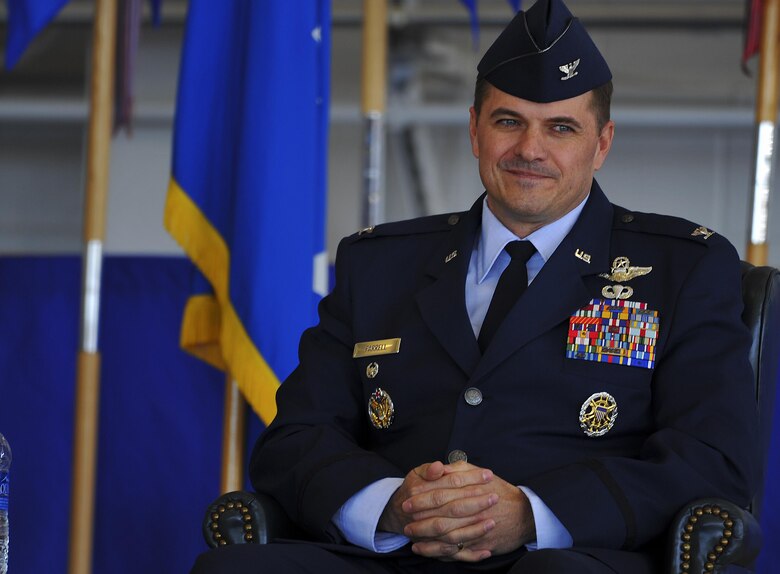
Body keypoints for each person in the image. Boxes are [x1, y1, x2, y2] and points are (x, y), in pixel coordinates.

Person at [192, 0, 759, 572]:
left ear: (602, 143)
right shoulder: (378, 264)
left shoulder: (683, 267)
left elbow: (710, 457)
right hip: (396, 551)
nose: (529, 150)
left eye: (561, 128)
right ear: (474, 129)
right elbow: (295, 438)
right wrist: (393, 505)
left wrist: (532, 515)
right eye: (508, 121)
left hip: (566, 555)